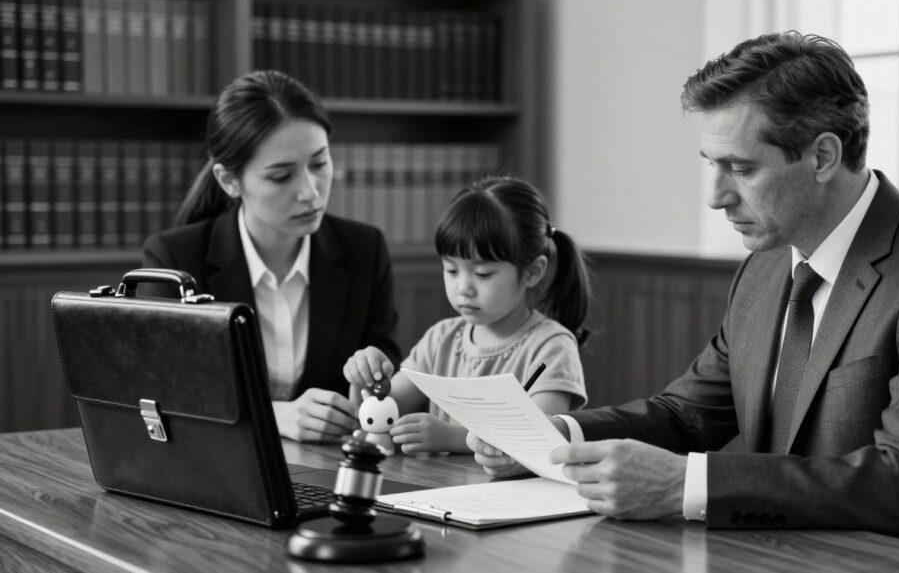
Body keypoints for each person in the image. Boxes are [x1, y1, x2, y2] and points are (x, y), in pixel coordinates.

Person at [468, 32, 899, 560]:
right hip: (776, 556)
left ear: (822, 157)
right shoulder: (765, 266)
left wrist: (688, 484)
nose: (715, 197)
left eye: (741, 168)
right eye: (712, 163)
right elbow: (686, 415)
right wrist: (552, 438)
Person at [140, 70, 401, 443]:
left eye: (319, 163)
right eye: (282, 177)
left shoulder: (365, 250)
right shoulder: (175, 258)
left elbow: (383, 364)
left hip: (329, 466)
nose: (310, 193)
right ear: (229, 180)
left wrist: (369, 386)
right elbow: (161, 391)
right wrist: (271, 416)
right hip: (218, 467)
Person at [344, 176, 591, 454]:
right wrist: (367, 382)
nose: (463, 289)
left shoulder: (552, 347)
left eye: (483, 274)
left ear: (533, 272)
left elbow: (541, 439)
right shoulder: (441, 339)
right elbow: (383, 415)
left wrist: (454, 438)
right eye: (451, 270)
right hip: (433, 492)